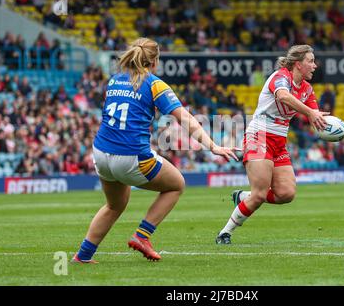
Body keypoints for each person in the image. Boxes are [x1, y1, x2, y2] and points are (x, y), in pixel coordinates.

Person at [72, 38, 238, 263]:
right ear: (154, 61)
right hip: (131, 156)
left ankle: (83, 255)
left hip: (101, 153)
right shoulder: (154, 84)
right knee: (176, 184)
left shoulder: (114, 80)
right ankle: (142, 236)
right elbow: (185, 118)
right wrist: (212, 146)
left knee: (115, 205)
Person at [215, 45, 329, 244]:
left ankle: (243, 196)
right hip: (259, 135)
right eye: (310, 61)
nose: (314, 65)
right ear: (298, 64)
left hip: (279, 141)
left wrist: (328, 127)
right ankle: (225, 233)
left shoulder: (307, 89)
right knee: (259, 195)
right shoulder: (281, 77)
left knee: (286, 193)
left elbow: (315, 116)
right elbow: (283, 96)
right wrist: (310, 113)